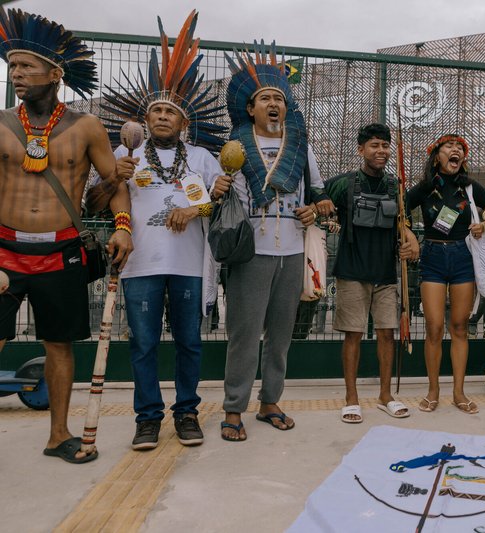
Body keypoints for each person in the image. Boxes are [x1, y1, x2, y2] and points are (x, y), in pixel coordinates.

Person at [0, 9, 132, 463]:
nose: (15, 74)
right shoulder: (0, 124)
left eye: (25, 66)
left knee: (58, 344)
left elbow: (114, 186)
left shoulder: (87, 127)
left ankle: (58, 435)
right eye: (12, 66)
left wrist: (123, 229)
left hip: (61, 252)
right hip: (4, 253)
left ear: (55, 73)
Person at [100, 11, 226, 450]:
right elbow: (95, 203)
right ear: (145, 119)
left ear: (183, 123)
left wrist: (194, 211)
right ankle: (148, 418)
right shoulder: (125, 152)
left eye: (170, 111)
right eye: (155, 110)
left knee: (190, 344)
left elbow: (221, 203)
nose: (161, 117)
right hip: (141, 265)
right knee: (144, 346)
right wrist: (114, 177)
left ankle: (187, 413)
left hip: (190, 265)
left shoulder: (204, 158)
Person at [211, 42, 333, 441]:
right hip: (252, 250)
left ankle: (270, 400)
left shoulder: (301, 146)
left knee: (281, 333)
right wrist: (219, 187)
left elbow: (319, 197)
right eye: (265, 98)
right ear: (251, 108)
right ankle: (234, 407)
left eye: (279, 98)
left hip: (293, 249)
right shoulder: (233, 147)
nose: (273, 104)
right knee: (245, 334)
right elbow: (218, 200)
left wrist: (315, 211)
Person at [324, 123, 419, 424]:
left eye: (385, 146)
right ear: (361, 149)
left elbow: (403, 222)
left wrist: (410, 237)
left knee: (387, 334)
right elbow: (317, 202)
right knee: (352, 334)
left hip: (385, 274)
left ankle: (385, 396)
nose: (381, 151)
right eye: (374, 146)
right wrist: (323, 215)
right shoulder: (344, 183)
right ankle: (351, 399)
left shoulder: (395, 186)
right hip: (351, 271)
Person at [405, 134, 485, 414]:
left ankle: (459, 393)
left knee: (460, 327)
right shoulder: (424, 188)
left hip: (463, 257)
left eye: (460, 148)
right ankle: (432, 391)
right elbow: (400, 209)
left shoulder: (471, 188)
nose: (456, 150)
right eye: (449, 146)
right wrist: (408, 233)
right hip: (433, 257)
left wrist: (484, 224)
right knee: (434, 327)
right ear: (436, 156)